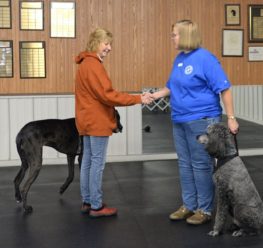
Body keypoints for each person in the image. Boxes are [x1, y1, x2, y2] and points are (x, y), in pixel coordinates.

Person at [151, 20, 239, 225]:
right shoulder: (179, 58)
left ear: (186, 35)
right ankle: (189, 205)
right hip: (179, 119)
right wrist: (153, 96)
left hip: (202, 119)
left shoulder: (206, 59)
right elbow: (171, 87)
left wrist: (231, 118)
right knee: (184, 164)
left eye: (174, 34)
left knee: (201, 165)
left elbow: (224, 88)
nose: (172, 38)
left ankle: (204, 209)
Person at [75, 28, 153, 218]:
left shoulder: (84, 63)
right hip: (97, 121)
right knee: (97, 163)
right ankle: (96, 205)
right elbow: (108, 95)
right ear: (95, 43)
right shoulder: (94, 65)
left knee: (87, 161)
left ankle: (88, 200)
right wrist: (138, 99)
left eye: (110, 44)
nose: (109, 48)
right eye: (106, 43)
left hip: (85, 120)